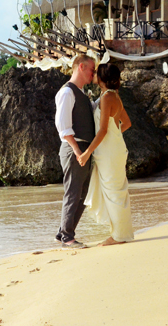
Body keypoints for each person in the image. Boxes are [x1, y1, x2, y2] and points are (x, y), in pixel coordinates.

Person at [77, 64, 134, 246]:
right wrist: (114, 135)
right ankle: (120, 233)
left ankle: (118, 236)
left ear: (101, 79)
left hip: (109, 152)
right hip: (113, 149)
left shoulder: (108, 97)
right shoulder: (111, 96)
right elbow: (125, 123)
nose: (94, 75)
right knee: (115, 191)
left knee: (114, 192)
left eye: (97, 73)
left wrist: (87, 152)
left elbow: (102, 131)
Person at [54, 54, 96, 249]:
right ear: (81, 67)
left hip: (83, 148)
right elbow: (63, 126)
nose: (93, 74)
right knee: (73, 191)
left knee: (82, 192)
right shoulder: (67, 92)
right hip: (75, 149)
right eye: (91, 70)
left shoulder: (80, 92)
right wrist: (78, 151)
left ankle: (64, 232)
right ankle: (67, 237)